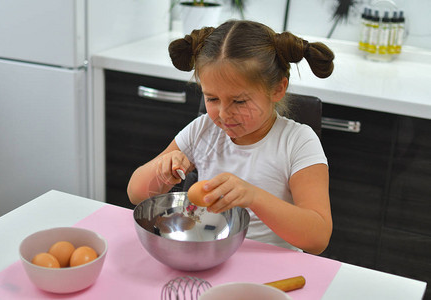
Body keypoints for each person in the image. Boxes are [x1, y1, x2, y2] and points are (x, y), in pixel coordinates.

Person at [127, 20, 334, 255]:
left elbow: (318, 237)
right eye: (212, 99)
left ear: (277, 89)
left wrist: (253, 196)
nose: (223, 114)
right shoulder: (203, 130)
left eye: (239, 101)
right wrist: (161, 172)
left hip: (273, 268)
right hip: (212, 255)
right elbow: (136, 193)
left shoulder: (298, 142)